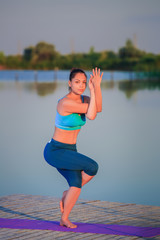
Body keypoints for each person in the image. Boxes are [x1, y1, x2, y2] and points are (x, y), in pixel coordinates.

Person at [43, 67, 103, 228]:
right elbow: (91, 115)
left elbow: (98, 108)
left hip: (70, 150)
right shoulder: (65, 103)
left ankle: (64, 218)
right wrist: (93, 90)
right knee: (92, 166)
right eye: (77, 82)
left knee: (76, 183)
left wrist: (96, 86)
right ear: (69, 83)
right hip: (55, 151)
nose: (81, 85)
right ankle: (68, 196)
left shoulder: (84, 99)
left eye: (84, 82)